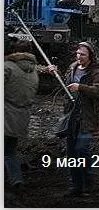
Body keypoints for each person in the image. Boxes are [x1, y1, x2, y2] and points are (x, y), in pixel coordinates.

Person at [48, 41, 99, 197]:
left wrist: (81, 87)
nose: (79, 57)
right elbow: (66, 86)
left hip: (87, 117)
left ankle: (88, 180)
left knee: (82, 150)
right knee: (71, 153)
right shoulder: (73, 68)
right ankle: (76, 185)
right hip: (72, 116)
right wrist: (56, 74)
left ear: (90, 56)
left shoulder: (96, 72)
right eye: (78, 53)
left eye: (83, 54)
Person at [4, 41, 39, 189]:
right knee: (10, 151)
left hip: (5, 114)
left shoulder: (8, 67)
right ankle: (16, 179)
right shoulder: (34, 72)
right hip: (22, 117)